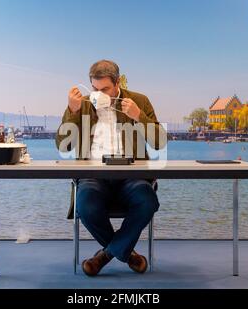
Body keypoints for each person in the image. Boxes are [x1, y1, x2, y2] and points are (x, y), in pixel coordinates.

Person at [56, 60, 167, 276]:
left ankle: (104, 256)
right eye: (95, 89)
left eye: (105, 89)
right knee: (85, 205)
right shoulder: (82, 104)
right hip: (92, 176)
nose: (99, 94)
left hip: (131, 176)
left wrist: (138, 117)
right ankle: (127, 253)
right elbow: (63, 144)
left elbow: (160, 143)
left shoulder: (139, 101)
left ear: (117, 83)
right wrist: (72, 111)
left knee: (148, 201)